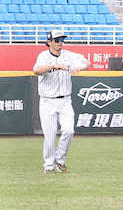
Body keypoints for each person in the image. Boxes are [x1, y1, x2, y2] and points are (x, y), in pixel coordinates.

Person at [33, 29, 89, 173]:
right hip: (47, 101)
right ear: (49, 42)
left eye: (62, 40)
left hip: (65, 100)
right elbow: (37, 70)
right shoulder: (44, 56)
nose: (60, 43)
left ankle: (60, 160)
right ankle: (49, 165)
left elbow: (86, 62)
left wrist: (80, 67)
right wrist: (54, 66)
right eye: (57, 40)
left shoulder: (68, 55)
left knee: (69, 130)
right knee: (50, 136)